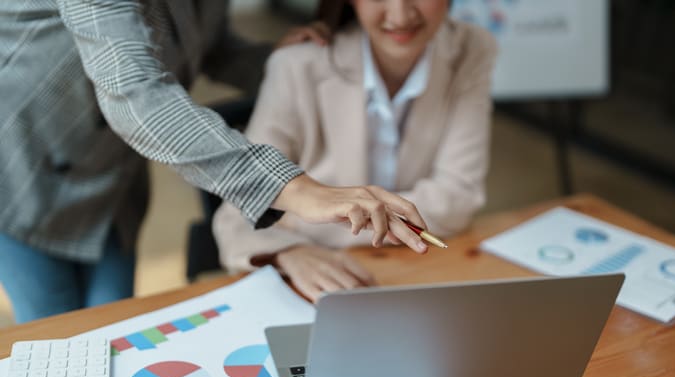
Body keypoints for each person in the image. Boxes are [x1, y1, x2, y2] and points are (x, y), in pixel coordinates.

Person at [0, 0, 429, 324]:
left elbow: (211, 47)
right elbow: (135, 94)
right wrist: (296, 189)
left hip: (112, 185)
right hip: (22, 185)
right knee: (59, 341)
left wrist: (283, 63)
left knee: (110, 333)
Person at [213, 0, 497, 301]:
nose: (400, 15)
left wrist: (299, 221)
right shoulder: (296, 65)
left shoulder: (472, 47)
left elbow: (458, 197)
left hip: (414, 268)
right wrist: (290, 250)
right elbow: (236, 217)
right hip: (323, 282)